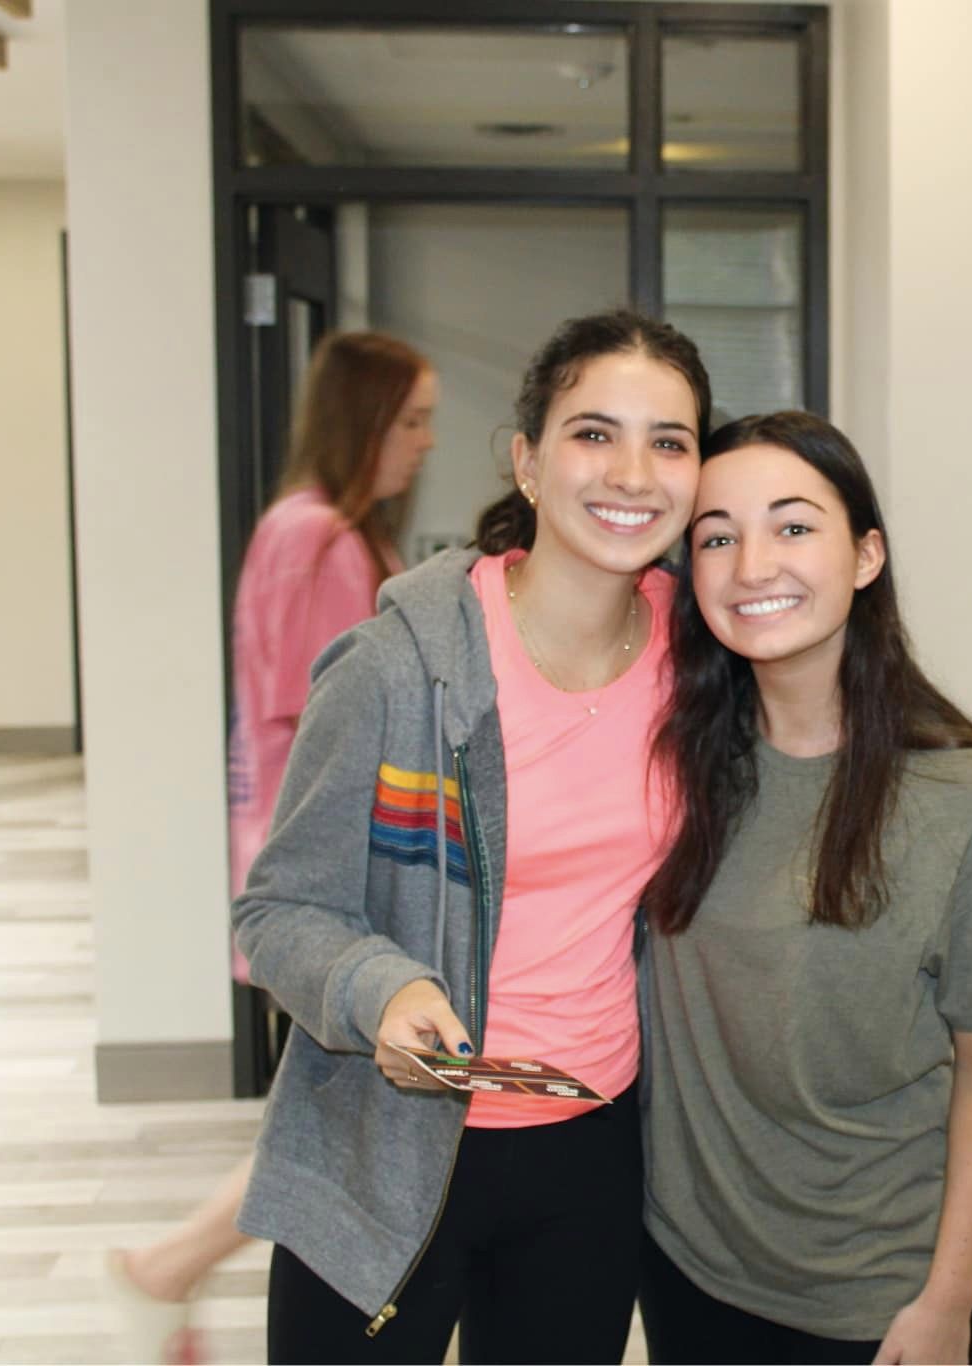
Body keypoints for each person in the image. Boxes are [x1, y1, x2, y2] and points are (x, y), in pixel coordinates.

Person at [232, 311, 712, 1364]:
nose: (632, 471)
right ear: (528, 462)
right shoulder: (396, 666)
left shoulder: (704, 658)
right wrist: (380, 988)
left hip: (590, 1150)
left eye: (668, 441)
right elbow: (278, 908)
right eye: (594, 433)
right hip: (382, 1144)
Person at [635, 411, 972, 1365]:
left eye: (792, 526)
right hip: (685, 1266)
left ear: (865, 555)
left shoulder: (968, 798)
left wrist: (950, 1298)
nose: (751, 567)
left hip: (878, 1290)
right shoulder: (668, 770)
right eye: (716, 536)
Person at [104, 330, 436, 1365]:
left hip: (313, 865)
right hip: (338, 878)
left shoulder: (313, 530)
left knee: (327, 1115)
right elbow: (345, 727)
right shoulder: (324, 541)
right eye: (413, 419)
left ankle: (169, 1266)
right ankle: (168, 1264)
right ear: (365, 419)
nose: (425, 443)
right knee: (331, 1118)